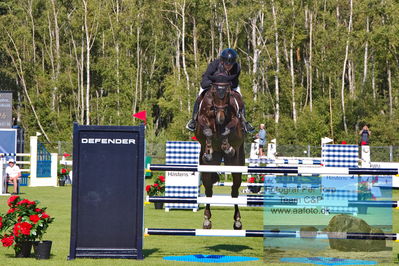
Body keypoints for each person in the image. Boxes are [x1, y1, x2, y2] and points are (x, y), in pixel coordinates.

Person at [185, 48, 255, 133]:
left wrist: (226, 85)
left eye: (231, 64)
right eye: (226, 64)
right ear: (222, 61)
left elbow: (235, 83)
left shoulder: (237, 67)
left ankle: (244, 121)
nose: (229, 66)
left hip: (228, 85)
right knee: (200, 96)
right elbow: (206, 79)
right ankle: (193, 120)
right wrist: (214, 84)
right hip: (211, 82)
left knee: (239, 98)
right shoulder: (214, 65)